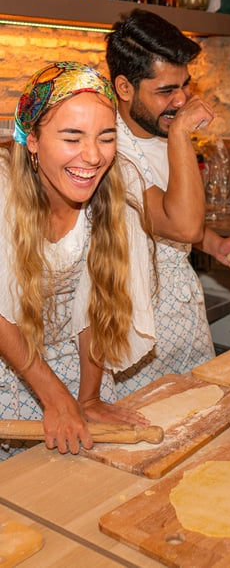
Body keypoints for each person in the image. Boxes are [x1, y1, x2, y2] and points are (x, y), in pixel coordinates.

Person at [0, 61, 156, 459]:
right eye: (72, 138)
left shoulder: (114, 190)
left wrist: (87, 397)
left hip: (59, 363)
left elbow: (100, 300)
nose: (92, 156)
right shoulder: (3, 193)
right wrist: (54, 397)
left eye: (106, 138)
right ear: (32, 140)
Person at [105, 9, 230, 398]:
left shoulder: (160, 130)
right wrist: (182, 135)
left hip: (184, 323)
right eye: (166, 90)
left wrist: (215, 243)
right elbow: (180, 224)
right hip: (137, 336)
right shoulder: (106, 150)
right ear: (124, 88)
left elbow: (185, 225)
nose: (182, 99)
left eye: (184, 85)